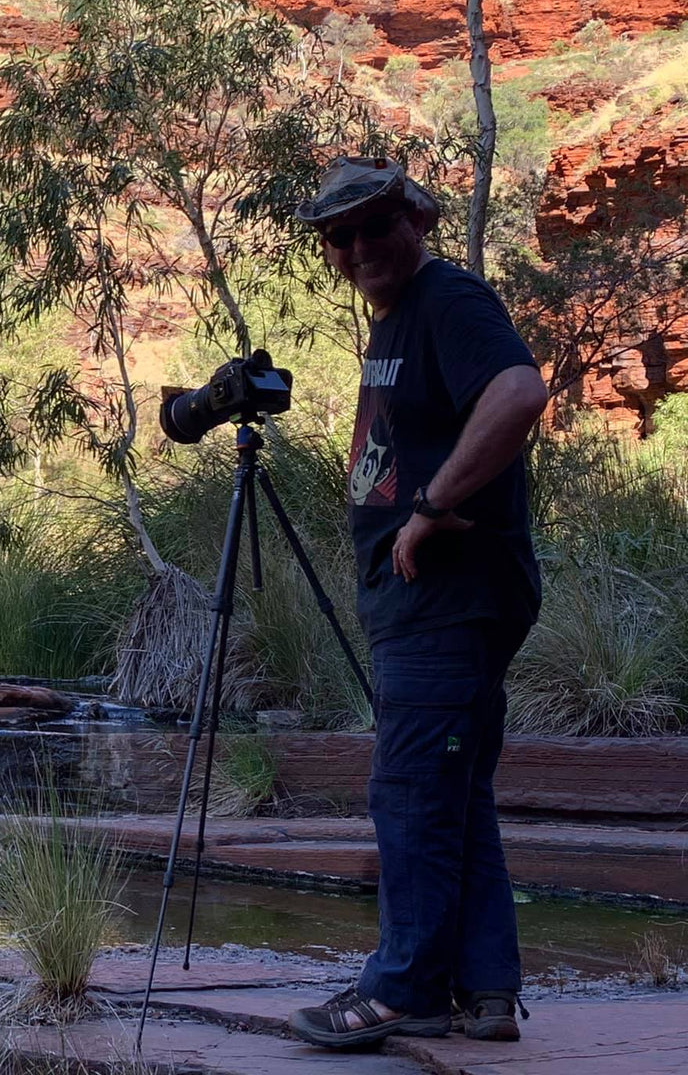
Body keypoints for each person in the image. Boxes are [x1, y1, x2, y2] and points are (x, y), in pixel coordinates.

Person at [285, 158, 548, 1050]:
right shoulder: (399, 318)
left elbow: (519, 391)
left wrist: (431, 506)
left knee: (408, 791)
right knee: (453, 791)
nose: (357, 247)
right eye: (339, 237)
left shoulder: (448, 299)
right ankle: (485, 990)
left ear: (416, 221)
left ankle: (404, 990)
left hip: (448, 600)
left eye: (375, 226)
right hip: (435, 603)